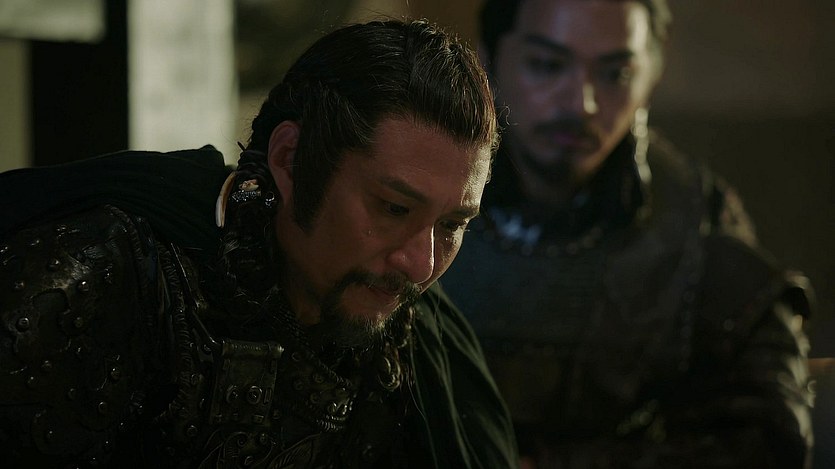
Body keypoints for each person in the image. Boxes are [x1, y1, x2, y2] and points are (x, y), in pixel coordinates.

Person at [0, 19, 519, 468]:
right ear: (291, 160)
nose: (421, 264)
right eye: (394, 209)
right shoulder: (103, 274)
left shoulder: (420, 341)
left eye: (452, 225)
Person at [440, 1, 814, 467]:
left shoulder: (697, 223)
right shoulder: (421, 188)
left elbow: (769, 441)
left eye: (615, 74)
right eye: (547, 65)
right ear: (489, 58)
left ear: (651, 75)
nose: (582, 104)